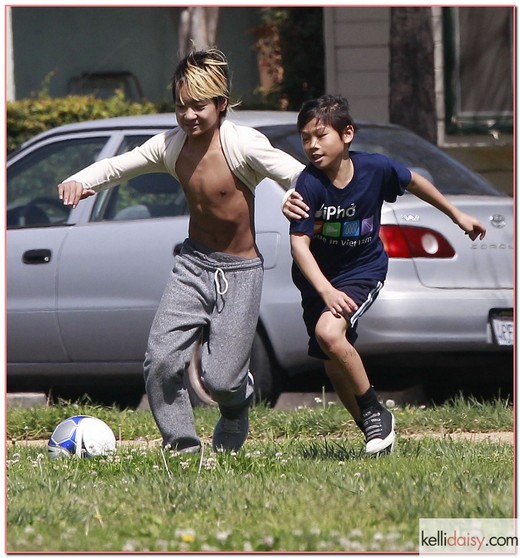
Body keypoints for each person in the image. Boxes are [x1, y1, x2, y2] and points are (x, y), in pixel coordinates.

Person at [57, 47, 305, 454]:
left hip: (240, 273)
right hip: (191, 265)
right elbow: (120, 165)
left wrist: (293, 195)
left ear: (222, 105)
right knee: (160, 361)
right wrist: (80, 181)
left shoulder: (243, 144)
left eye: (198, 106)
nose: (189, 115)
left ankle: (237, 401)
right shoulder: (171, 145)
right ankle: (182, 446)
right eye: (181, 106)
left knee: (221, 379)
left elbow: (293, 171)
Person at [286, 95, 486, 455]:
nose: (312, 146)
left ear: (347, 134)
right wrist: (326, 290)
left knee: (328, 332)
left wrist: (457, 215)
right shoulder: (309, 184)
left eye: (320, 135)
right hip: (319, 280)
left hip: (363, 269)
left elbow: (414, 181)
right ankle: (375, 434)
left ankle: (374, 410)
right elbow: (299, 245)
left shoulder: (375, 168)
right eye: (305, 138)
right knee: (333, 364)